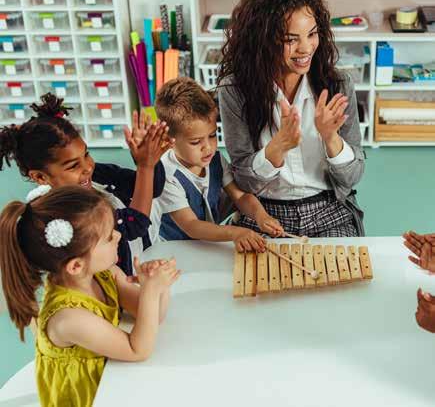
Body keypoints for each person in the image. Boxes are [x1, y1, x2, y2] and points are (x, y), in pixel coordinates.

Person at [0, 185, 180, 406]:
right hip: (89, 398)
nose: (118, 235)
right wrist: (151, 292)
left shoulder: (106, 274)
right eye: (109, 237)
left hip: (117, 380)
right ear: (76, 266)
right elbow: (137, 349)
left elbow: (154, 316)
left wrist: (157, 284)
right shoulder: (68, 319)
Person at [217, 0, 365, 238]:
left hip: (329, 210)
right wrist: (277, 148)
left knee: (342, 267)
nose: (306, 48)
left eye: (312, 34)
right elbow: (245, 182)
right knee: (253, 267)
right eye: (290, 39)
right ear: (263, 40)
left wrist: (331, 138)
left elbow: (352, 178)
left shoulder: (339, 85)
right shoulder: (234, 90)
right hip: (264, 213)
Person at [0, 93, 172, 274]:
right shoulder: (62, 213)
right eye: (73, 165)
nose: (88, 167)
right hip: (115, 287)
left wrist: (146, 157)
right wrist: (145, 166)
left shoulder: (96, 174)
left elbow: (151, 188)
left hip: (142, 266)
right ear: (40, 177)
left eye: (86, 154)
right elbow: (134, 224)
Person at [151, 77, 284, 252]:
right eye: (196, 142)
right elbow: (191, 225)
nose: (208, 147)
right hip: (174, 249)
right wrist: (234, 233)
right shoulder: (166, 174)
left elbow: (240, 196)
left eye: (212, 135)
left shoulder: (215, 160)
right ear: (169, 140)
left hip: (205, 245)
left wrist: (261, 216)